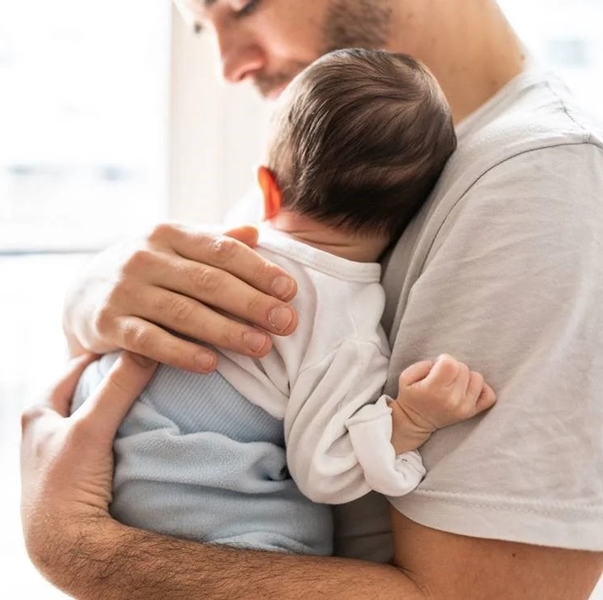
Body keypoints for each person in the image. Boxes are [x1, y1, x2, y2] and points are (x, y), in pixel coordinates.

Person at [21, 1, 603, 598]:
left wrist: (74, 544)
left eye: (241, 5)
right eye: (203, 26)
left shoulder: (540, 184)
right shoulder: (337, 150)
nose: (227, 64)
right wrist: (90, 299)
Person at [69, 48, 496, 556]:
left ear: (267, 190)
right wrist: (410, 422)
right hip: (207, 519)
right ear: (411, 218)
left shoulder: (208, 254)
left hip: (104, 469)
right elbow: (327, 473)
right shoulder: (346, 331)